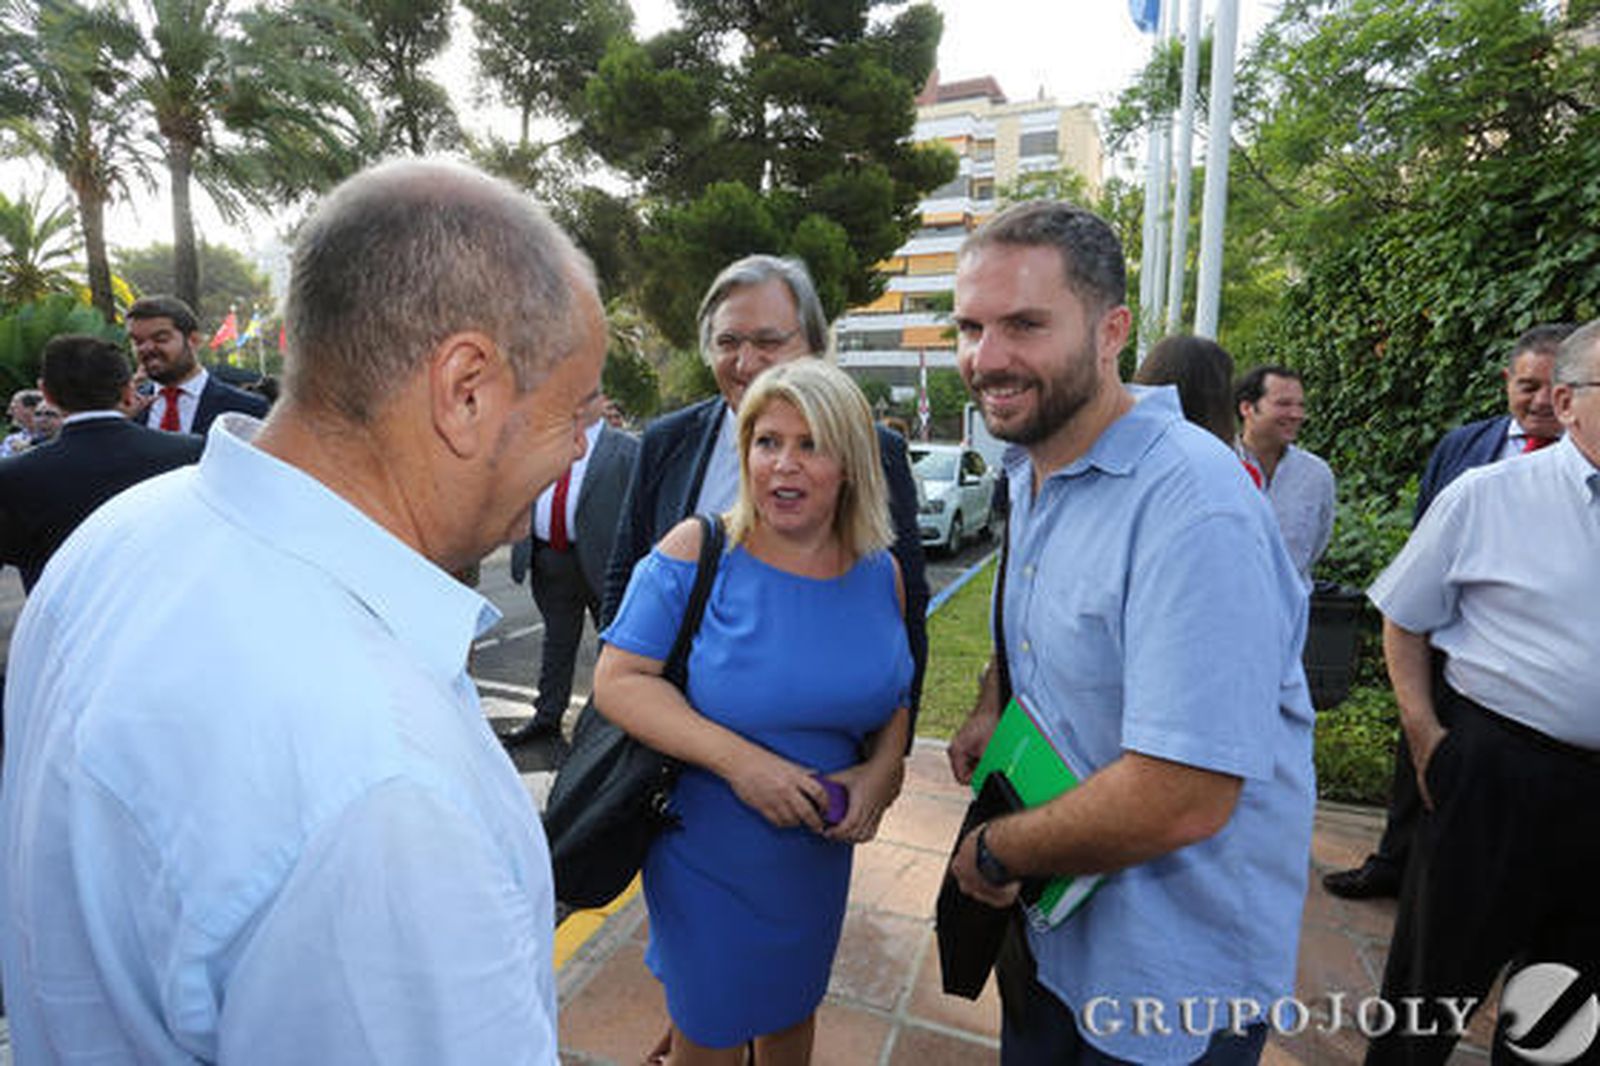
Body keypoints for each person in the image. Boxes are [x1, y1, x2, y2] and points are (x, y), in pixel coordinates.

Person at [0, 159, 604, 1063]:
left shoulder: (119, 534)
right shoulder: (389, 792)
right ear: (466, 389)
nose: (583, 450)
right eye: (575, 413)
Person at [944, 201, 1315, 1065]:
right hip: (1051, 938)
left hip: (1163, 979)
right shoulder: (1036, 463)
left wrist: (995, 850)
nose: (986, 358)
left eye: (1024, 325)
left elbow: (1183, 791)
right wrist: (993, 701)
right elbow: (1039, 612)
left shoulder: (1195, 507)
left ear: (1111, 331)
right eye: (970, 327)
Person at [593, 359, 913, 1066]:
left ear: (851, 465)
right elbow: (618, 681)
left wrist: (883, 772)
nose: (783, 464)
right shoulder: (697, 550)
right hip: (707, 852)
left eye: (811, 444)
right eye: (767, 442)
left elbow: (893, 691)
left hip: (816, 860)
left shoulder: (879, 571)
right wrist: (743, 764)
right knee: (711, 1032)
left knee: (792, 1013)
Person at [1361, 320, 1600, 1066]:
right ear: (1567, 401)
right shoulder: (1489, 495)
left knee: (1565, 1018)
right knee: (1430, 990)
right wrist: (1427, 736)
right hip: (1498, 773)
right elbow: (1404, 617)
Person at [600, 254, 928, 716]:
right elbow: (624, 576)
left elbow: (905, 618)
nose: (745, 362)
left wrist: (893, 747)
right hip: (672, 738)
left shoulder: (877, 451)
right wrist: (624, 712)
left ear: (813, 346)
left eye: (768, 341)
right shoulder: (666, 442)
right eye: (727, 342)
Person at [1322, 322, 1573, 901]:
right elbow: (1425, 539)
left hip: (1523, 663)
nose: (1540, 401)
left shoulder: (1584, 461)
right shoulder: (1464, 446)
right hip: (1440, 633)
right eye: (1527, 386)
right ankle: (1394, 861)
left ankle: (1467, 884)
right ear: (1506, 381)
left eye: (1554, 387)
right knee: (1417, 751)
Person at [0, 334, 202, 593]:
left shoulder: (14, 475)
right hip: (167, 606)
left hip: (66, 614)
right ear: (128, 390)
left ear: (46, 393)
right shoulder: (190, 452)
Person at [502, 408, 639, 744]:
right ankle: (547, 717)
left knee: (614, 645)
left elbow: (641, 510)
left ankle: (610, 727)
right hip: (549, 557)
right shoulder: (538, 442)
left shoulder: (626, 449)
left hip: (602, 562)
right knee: (557, 642)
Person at [1235, 365, 1336, 587]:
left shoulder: (1316, 475)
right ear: (1247, 408)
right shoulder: (1219, 466)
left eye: (1300, 405)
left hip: (1290, 604)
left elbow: (1317, 544)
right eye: (1283, 404)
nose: (1296, 414)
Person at [126, 294, 269, 434]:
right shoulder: (126, 408)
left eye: (160, 339)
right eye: (138, 342)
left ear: (194, 340)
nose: (146, 348)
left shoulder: (246, 408)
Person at [1, 388, 43, 456]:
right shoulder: (11, 440)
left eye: (14, 408)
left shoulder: (53, 438)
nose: (9, 412)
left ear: (32, 409)